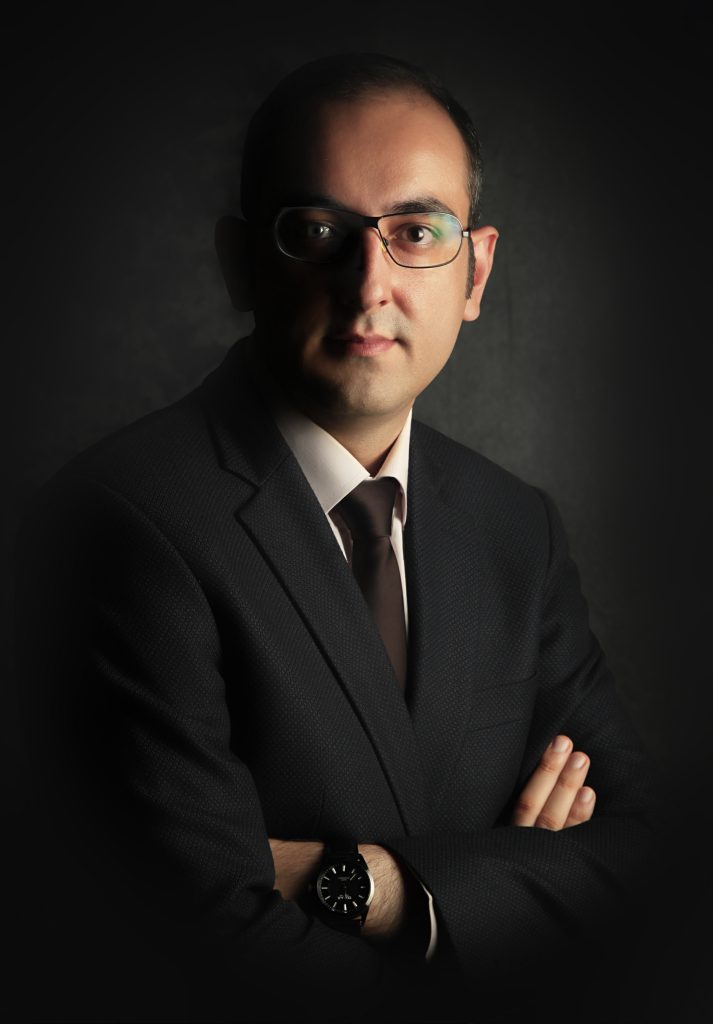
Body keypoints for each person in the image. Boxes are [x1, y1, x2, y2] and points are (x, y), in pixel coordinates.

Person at [16, 53, 660, 1023]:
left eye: (415, 232)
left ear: (475, 270)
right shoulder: (119, 521)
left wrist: (372, 888)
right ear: (241, 263)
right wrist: (508, 896)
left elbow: (641, 850)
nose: (369, 283)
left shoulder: (513, 525)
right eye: (316, 231)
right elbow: (198, 931)